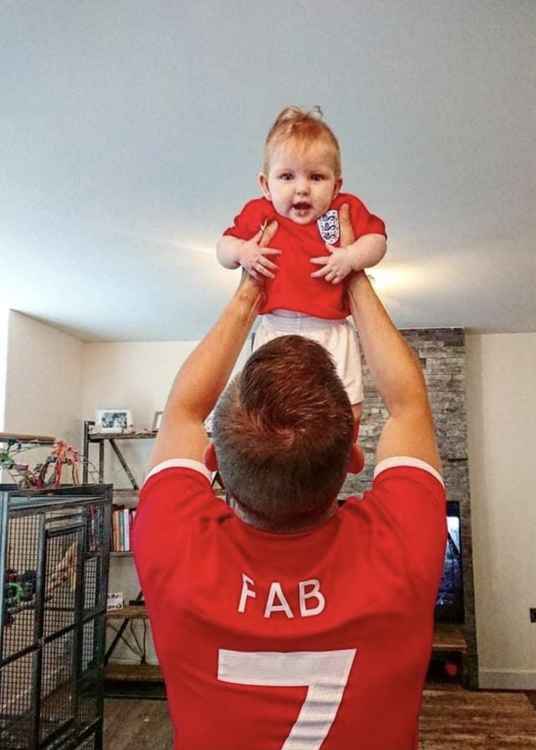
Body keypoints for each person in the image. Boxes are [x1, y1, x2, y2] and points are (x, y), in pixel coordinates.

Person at [133, 209, 447, 749]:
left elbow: (182, 410)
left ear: (213, 462)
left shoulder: (172, 548)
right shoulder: (403, 550)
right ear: (355, 456)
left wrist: (248, 292)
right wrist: (354, 276)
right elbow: (409, 404)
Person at [216, 106, 387, 468]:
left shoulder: (345, 208)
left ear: (337, 185)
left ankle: (347, 447)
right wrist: (243, 251)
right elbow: (223, 248)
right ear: (265, 184)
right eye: (287, 177)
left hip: (331, 326)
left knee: (349, 395)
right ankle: (252, 450)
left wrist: (351, 256)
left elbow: (378, 242)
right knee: (260, 395)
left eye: (316, 177)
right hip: (275, 324)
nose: (302, 189)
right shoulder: (258, 214)